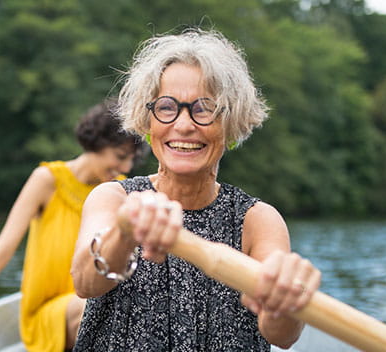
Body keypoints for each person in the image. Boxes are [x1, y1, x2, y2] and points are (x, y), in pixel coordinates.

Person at [70, 28, 322, 351]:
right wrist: (125, 231)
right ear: (148, 122)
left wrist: (282, 302)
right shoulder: (113, 198)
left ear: (231, 123)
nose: (185, 124)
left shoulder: (258, 221)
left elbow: (284, 335)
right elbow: (84, 281)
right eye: (166, 107)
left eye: (204, 108)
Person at [0, 100, 143, 351]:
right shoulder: (47, 180)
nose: (126, 167)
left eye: (131, 160)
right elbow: (3, 248)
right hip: (47, 314)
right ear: (96, 142)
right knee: (93, 306)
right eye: (120, 157)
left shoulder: (118, 191)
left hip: (93, 300)